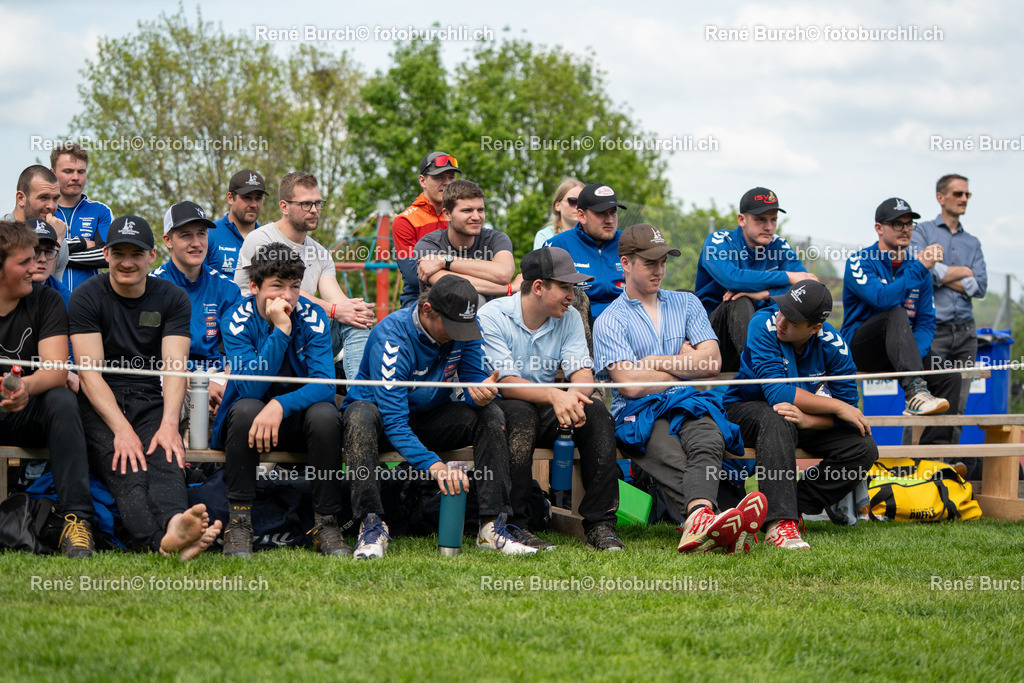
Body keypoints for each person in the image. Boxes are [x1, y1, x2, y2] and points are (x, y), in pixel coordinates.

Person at [593, 224, 765, 553]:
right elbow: (629, 386)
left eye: (664, 262)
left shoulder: (687, 303)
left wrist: (655, 361)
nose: (660, 270)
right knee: (673, 456)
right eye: (650, 263)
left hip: (688, 402)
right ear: (625, 264)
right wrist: (683, 365)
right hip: (638, 413)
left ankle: (699, 519)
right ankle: (715, 517)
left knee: (710, 437)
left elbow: (711, 363)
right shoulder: (610, 320)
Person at [342, 276, 538, 558]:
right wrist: (435, 466)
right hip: (382, 423)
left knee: (491, 413)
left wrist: (479, 394)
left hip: (430, 417)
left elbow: (472, 382)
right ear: (427, 310)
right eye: (453, 326)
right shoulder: (392, 338)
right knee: (360, 414)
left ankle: (491, 526)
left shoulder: (465, 329)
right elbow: (395, 422)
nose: (460, 334)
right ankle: (370, 525)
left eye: (465, 327)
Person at [69, 215, 221, 560]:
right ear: (105, 255)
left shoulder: (172, 298)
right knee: (128, 465)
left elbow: (174, 367)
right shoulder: (85, 296)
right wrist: (122, 430)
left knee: (166, 458)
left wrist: (169, 425)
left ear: (152, 255)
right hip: (98, 401)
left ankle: (175, 525)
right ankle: (161, 542)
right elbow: (89, 374)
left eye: (135, 253)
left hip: (149, 397)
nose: (127, 262)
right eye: (118, 253)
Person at [478, 246, 623, 551]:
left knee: (595, 411)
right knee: (519, 413)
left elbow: (583, 375)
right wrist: (556, 395)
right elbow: (505, 384)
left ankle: (601, 524)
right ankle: (515, 525)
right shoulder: (492, 315)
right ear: (539, 287)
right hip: (503, 407)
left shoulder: (568, 317)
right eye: (565, 287)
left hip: (549, 406)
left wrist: (571, 398)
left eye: (573, 288)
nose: (572, 296)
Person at [211, 243, 347, 558]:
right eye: (277, 286)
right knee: (248, 408)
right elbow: (249, 389)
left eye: (294, 287)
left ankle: (326, 523)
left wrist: (280, 405)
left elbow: (326, 385)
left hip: (293, 422)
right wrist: (281, 332)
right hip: (244, 424)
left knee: (325, 413)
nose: (286, 296)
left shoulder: (313, 316)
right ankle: (240, 523)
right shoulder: (237, 318)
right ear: (255, 287)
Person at [723, 281, 878, 550]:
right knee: (778, 416)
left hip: (801, 418)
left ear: (815, 328)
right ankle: (779, 523)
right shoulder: (763, 323)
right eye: (782, 309)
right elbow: (777, 394)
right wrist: (837, 406)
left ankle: (794, 507)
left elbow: (849, 412)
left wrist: (810, 420)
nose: (781, 321)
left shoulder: (835, 345)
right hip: (744, 408)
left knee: (862, 446)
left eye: (793, 320)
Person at [0, 220, 94, 557]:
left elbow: (55, 369)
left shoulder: (48, 300)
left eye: (36, 257)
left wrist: (23, 387)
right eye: (23, 262)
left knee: (61, 398)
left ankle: (77, 522)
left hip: (29, 410)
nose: (34, 268)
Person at [233, 171, 373, 381]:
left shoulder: (320, 253)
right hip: (261, 335)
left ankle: (359, 403)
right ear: (284, 206)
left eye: (318, 203)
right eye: (306, 204)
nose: (315, 210)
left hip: (301, 335)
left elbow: (335, 298)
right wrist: (335, 310)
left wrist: (355, 310)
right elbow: (281, 293)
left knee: (356, 320)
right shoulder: (261, 240)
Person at [841, 198, 951, 415]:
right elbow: (881, 299)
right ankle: (915, 393)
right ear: (879, 229)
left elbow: (926, 323)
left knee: (950, 375)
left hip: (902, 353)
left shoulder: (918, 269)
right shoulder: (859, 261)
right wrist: (920, 267)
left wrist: (911, 356)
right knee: (895, 313)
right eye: (897, 224)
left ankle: (936, 448)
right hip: (861, 349)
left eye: (909, 224)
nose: (905, 229)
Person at [695, 187, 818, 371]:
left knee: (804, 311)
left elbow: (808, 289)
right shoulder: (718, 241)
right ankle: (766, 376)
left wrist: (766, 294)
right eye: (760, 219)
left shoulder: (779, 245)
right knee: (739, 300)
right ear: (742, 219)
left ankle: (810, 375)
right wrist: (787, 276)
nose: (768, 226)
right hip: (713, 342)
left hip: (762, 336)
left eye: (773, 219)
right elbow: (733, 279)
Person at [910, 174, 988, 451]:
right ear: (940, 198)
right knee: (924, 402)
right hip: (933, 333)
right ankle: (911, 471)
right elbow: (923, 272)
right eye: (957, 194)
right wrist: (963, 273)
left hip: (966, 333)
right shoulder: (922, 232)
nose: (963, 199)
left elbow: (980, 286)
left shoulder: (973, 242)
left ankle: (944, 472)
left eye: (967, 194)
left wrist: (942, 274)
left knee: (957, 406)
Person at [152, 201, 241, 417]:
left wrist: (226, 385)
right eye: (185, 235)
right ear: (168, 240)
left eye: (201, 234)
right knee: (161, 396)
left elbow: (238, 349)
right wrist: (198, 384)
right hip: (171, 375)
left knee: (242, 396)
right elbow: (151, 357)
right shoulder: (151, 287)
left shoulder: (227, 288)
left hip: (216, 374)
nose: (196, 243)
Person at [398, 179, 514, 305]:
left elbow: (503, 273)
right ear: (447, 214)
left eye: (480, 210)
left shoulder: (496, 238)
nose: (476, 217)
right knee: (474, 299)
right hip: (439, 319)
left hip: (486, 320)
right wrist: (509, 288)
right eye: (467, 210)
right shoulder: (428, 245)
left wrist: (445, 260)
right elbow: (451, 285)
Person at [545, 182, 628, 320]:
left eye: (613, 212)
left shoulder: (629, 242)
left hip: (627, 322)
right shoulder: (558, 245)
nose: (609, 220)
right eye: (601, 213)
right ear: (582, 216)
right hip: (579, 325)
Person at [49, 142, 112, 290]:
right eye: (68, 171)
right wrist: (82, 243)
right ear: (52, 173)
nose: (76, 177)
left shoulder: (100, 211)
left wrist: (54, 255)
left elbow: (107, 256)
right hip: (48, 301)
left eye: (81, 171)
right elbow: (31, 252)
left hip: (88, 302)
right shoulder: (43, 210)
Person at [7, 165, 70, 283]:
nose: (51, 206)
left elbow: (48, 293)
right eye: (43, 198)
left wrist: (55, 246)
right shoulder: (3, 237)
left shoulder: (60, 244)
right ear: (21, 198)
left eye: (55, 199)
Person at [206, 169, 267, 277]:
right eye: (247, 197)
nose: (253, 204)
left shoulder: (268, 239)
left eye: (258, 198)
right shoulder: (209, 234)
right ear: (230, 198)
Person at [533, 179, 584, 250]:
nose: (577, 207)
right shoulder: (545, 236)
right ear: (557, 205)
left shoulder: (594, 236)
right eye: (572, 201)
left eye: (582, 202)